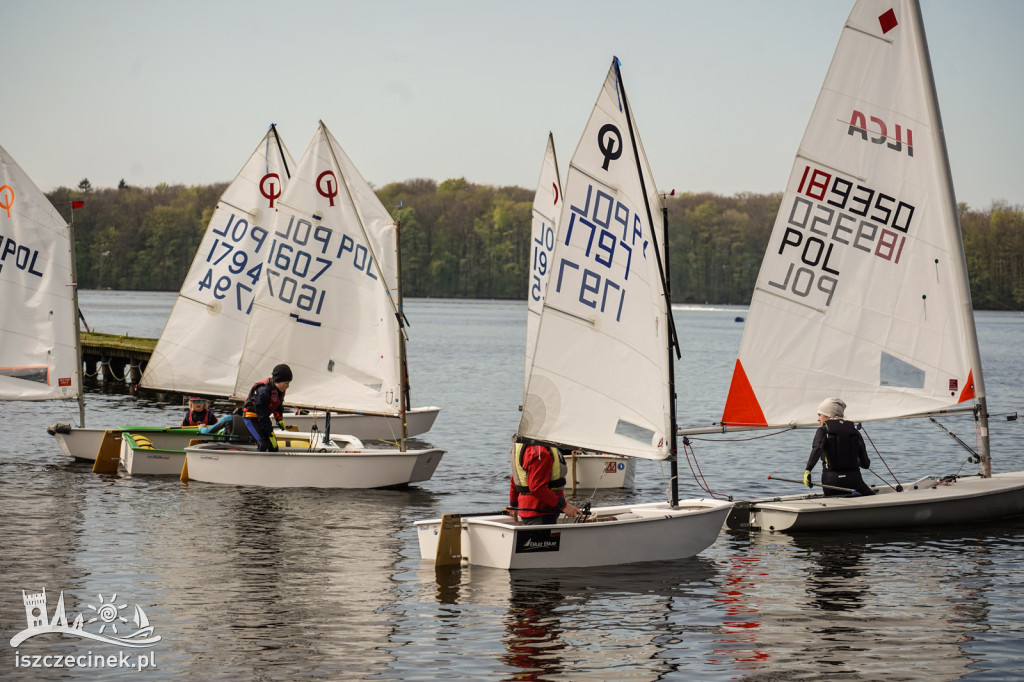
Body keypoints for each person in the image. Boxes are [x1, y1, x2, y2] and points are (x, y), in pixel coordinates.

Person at [804, 397, 875, 497]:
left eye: (820, 414)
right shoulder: (854, 431)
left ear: (828, 415)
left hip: (831, 481)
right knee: (872, 496)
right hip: (854, 480)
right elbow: (866, 464)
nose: (818, 418)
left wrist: (808, 470)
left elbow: (817, 448)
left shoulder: (823, 430)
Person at [509, 440, 582, 524]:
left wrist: (513, 504)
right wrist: (564, 506)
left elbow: (516, 478)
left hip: (531, 511)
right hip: (541, 512)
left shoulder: (524, 445)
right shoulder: (540, 453)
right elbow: (537, 489)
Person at [243, 364, 292, 452]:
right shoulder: (263, 391)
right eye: (286, 383)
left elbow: (278, 406)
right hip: (251, 418)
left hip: (262, 419)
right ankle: (257, 464)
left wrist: (279, 419)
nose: (288, 386)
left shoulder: (279, 390)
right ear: (278, 380)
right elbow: (262, 414)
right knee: (263, 444)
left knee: (274, 447)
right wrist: (270, 432)